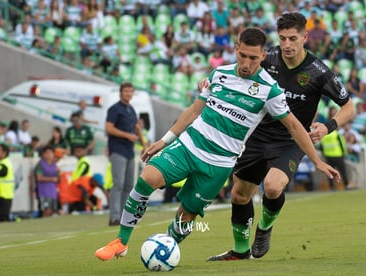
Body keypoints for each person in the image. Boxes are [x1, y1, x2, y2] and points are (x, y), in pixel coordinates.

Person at [94, 27, 341, 261]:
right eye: (242, 55)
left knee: (186, 215)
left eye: (253, 58)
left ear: (263, 56)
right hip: (189, 147)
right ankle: (121, 241)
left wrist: (317, 161)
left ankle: (165, 249)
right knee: (148, 178)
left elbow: (294, 127)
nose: (246, 63)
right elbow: (193, 111)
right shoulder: (219, 74)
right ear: (236, 49)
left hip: (219, 163)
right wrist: (164, 140)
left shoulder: (269, 90)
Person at [204, 12, 354, 261]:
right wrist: (211, 81)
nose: (286, 44)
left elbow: (349, 106)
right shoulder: (268, 57)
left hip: (291, 139)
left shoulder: (318, 72)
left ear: (304, 37)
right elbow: (242, 69)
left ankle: (264, 228)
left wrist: (328, 126)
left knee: (272, 187)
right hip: (256, 133)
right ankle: (240, 251)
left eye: (292, 38)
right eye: (282, 38)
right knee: (239, 194)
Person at [106, 82, 147, 226]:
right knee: (118, 183)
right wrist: (126, 135)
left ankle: (124, 217)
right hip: (118, 149)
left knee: (129, 185)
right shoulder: (114, 109)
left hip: (129, 151)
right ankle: (114, 217)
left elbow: (136, 128)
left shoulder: (131, 110)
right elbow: (109, 128)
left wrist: (144, 145)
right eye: (126, 91)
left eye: (131, 91)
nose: (128, 94)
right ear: (120, 93)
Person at [33, 145, 60, 217]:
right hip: (43, 191)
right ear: (43, 154)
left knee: (52, 211)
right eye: (47, 153)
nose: (49, 155)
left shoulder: (55, 165)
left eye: (51, 153)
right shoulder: (40, 165)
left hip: (53, 191)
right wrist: (52, 179)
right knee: (46, 211)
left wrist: (59, 174)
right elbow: (39, 178)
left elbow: (58, 179)